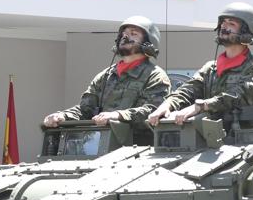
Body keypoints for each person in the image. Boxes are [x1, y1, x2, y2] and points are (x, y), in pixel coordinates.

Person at [42, 16, 171, 142]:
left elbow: (153, 111)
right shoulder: (105, 75)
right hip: (101, 147)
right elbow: (86, 109)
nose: (125, 37)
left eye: (133, 34)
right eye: (123, 34)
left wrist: (118, 115)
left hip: (137, 149)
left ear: (147, 43)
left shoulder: (155, 76)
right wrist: (63, 116)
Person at [147, 2, 253, 128]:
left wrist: (200, 106)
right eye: (223, 22)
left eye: (231, 24)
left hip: (246, 140)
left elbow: (238, 96)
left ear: (247, 33)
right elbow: (188, 90)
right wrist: (167, 105)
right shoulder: (211, 68)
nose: (224, 27)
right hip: (208, 137)